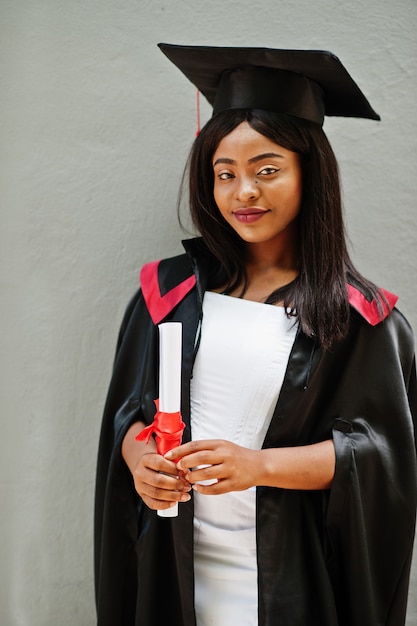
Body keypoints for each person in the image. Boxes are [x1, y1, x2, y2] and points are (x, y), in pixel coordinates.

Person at [94, 44, 417, 626]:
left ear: (308, 173)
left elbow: (381, 458)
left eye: (267, 170)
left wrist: (258, 466)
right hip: (175, 564)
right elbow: (130, 412)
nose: (244, 191)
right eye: (226, 173)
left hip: (286, 577)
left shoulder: (358, 316)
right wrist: (140, 456)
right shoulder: (167, 294)